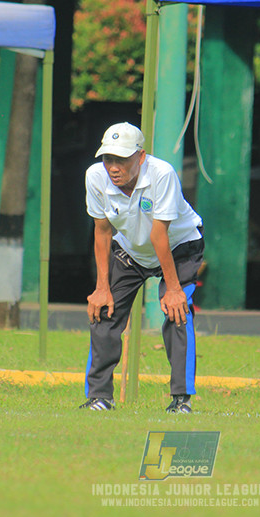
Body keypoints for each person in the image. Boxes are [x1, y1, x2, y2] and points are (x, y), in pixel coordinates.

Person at [81, 122, 204, 413]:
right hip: (130, 250)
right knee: (104, 312)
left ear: (141, 156)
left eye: (121, 159)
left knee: (178, 313)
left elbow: (159, 235)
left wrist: (173, 289)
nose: (113, 167)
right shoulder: (94, 177)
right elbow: (101, 231)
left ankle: (181, 400)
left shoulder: (162, 174)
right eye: (108, 159)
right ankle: (99, 398)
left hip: (178, 247)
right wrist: (102, 288)